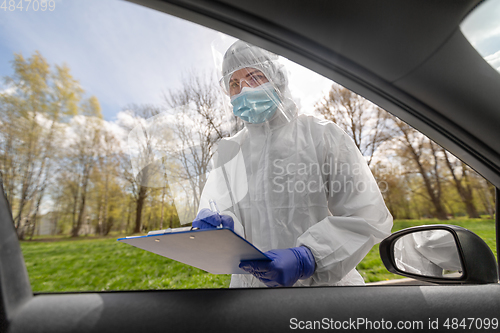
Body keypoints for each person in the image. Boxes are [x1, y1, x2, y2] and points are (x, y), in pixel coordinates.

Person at [192, 40, 393, 288]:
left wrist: (308, 257)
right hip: (249, 294)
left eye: (254, 77)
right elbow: (217, 208)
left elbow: (367, 214)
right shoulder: (229, 152)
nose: (243, 90)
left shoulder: (323, 136)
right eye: (234, 84)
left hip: (324, 295)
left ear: (278, 78)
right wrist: (216, 224)